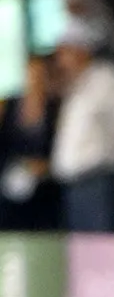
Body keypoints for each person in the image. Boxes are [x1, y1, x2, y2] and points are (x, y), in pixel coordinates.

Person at [49, 35, 114, 233]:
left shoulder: (108, 80)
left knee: (105, 253)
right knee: (84, 256)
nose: (60, 61)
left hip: (103, 184)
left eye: (64, 53)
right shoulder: (75, 86)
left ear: (81, 51)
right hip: (77, 186)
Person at [0, 53, 60, 232]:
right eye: (30, 75)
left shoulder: (55, 108)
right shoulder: (9, 106)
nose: (34, 80)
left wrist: (45, 166)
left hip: (45, 192)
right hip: (9, 186)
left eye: (39, 75)